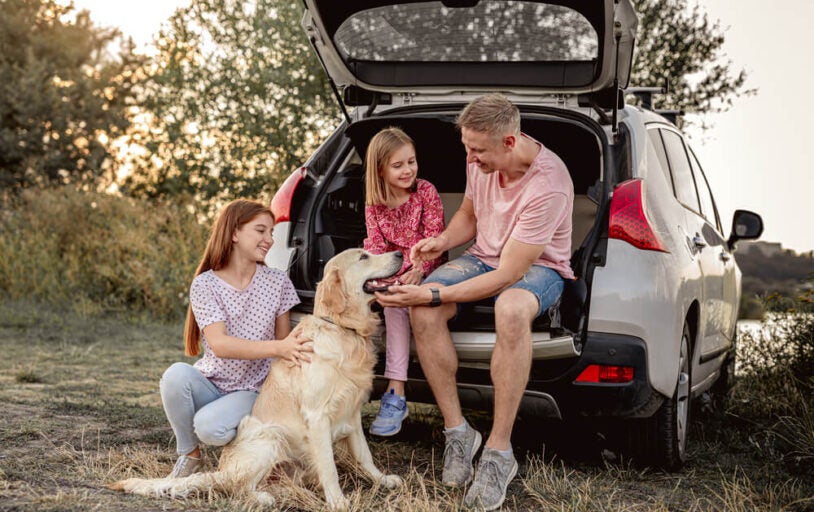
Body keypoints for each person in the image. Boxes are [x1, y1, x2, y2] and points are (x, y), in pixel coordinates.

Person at [375, 94, 574, 511]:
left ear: (509, 142)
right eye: (467, 146)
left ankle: (499, 452)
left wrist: (432, 291)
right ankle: (457, 432)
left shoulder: (548, 183)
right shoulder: (479, 157)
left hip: (538, 268)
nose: (469, 157)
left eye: (477, 150)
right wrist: (441, 242)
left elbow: (508, 275)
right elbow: (469, 212)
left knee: (511, 308)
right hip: (482, 257)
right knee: (423, 311)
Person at [159, 199, 312, 478]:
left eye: (271, 234)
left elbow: (283, 351)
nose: (269, 240)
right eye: (261, 231)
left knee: (209, 428)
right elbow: (220, 345)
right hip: (212, 383)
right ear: (234, 233)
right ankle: (189, 455)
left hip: (253, 390)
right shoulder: (205, 283)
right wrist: (280, 346)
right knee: (174, 376)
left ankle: (249, 447)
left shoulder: (278, 282)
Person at [363, 127, 445, 437]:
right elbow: (378, 249)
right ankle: (385, 393)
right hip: (395, 271)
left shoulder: (425, 191)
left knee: (399, 302)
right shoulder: (375, 205)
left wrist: (420, 269)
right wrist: (377, 280)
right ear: (380, 170)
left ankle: (395, 392)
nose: (408, 170)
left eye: (411, 162)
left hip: (430, 267)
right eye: (398, 165)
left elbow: (436, 240)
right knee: (392, 301)